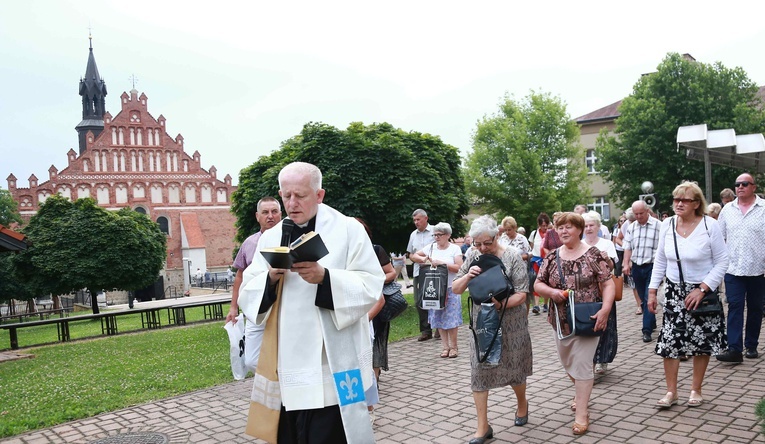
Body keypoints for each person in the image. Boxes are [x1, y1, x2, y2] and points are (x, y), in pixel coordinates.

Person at [238, 162, 384, 443]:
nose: (292, 204)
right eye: (286, 196)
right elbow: (248, 291)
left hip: (333, 362)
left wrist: (325, 278)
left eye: (301, 196)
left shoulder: (348, 230)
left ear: (319, 195)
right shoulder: (270, 236)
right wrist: (269, 278)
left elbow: (371, 284)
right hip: (288, 360)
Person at [647, 181, 729, 409]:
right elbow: (660, 261)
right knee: (670, 342)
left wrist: (703, 288)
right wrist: (652, 292)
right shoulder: (667, 225)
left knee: (701, 342)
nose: (679, 203)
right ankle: (671, 392)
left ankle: (696, 389)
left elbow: (723, 261)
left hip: (702, 292)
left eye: (685, 200)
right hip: (674, 291)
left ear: (696, 203)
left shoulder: (709, 225)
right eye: (676, 199)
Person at [452, 215, 532, 443]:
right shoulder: (472, 255)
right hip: (483, 324)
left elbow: (522, 293)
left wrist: (501, 304)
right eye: (477, 243)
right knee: (479, 370)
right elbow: (456, 288)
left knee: (514, 367)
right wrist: (468, 275)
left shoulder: (512, 256)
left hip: (511, 321)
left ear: (496, 236)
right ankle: (482, 427)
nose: (482, 248)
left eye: (487, 243)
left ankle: (522, 404)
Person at [534, 212, 615, 436]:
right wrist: (552, 292)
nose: (563, 231)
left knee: (581, 364)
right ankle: (581, 393)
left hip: (588, 318)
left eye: (568, 227)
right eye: (560, 228)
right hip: (560, 321)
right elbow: (538, 284)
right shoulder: (552, 257)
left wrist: (605, 310)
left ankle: (582, 412)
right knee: (568, 362)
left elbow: (607, 284)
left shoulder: (593, 254)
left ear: (579, 230)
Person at [226, 196, 282, 371]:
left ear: (281, 214)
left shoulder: (290, 238)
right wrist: (233, 307)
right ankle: (274, 379)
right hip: (255, 307)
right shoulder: (250, 243)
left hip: (282, 306)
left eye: (274, 211)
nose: (270, 216)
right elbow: (240, 277)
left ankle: (280, 390)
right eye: (265, 212)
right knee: (251, 360)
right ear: (257, 216)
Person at [716, 173, 765, 363]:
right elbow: (719, 239)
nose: (740, 187)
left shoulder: (763, 209)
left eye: (745, 184)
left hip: (758, 269)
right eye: (737, 184)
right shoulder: (727, 210)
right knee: (735, 306)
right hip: (733, 268)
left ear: (753, 187)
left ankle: (751, 345)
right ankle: (734, 349)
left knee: (755, 308)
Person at [411, 222, 463, 358]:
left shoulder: (454, 249)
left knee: (451, 318)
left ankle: (454, 347)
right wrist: (424, 258)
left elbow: (460, 267)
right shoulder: (431, 247)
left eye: (439, 235)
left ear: (448, 235)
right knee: (438, 317)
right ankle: (445, 347)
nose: (436, 237)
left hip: (451, 287)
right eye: (435, 235)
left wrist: (443, 264)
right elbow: (413, 256)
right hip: (434, 289)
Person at [583, 211, 618, 375]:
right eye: (586, 226)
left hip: (604, 290)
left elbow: (611, 268)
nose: (588, 228)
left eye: (591, 225)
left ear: (598, 226)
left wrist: (607, 259)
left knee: (606, 325)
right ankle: (589, 361)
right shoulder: (580, 244)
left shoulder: (606, 244)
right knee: (589, 326)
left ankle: (602, 360)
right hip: (586, 293)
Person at [622, 200, 661, 343]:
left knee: (647, 296)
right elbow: (628, 247)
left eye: (640, 213)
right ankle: (651, 320)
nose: (638, 216)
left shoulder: (659, 226)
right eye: (635, 214)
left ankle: (646, 330)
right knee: (642, 297)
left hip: (653, 266)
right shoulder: (631, 227)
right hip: (637, 266)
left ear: (647, 211)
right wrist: (626, 264)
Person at [407, 209, 435, 341]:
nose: (416, 222)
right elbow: (410, 254)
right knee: (419, 300)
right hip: (419, 271)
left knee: (436, 298)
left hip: (434, 270)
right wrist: (418, 259)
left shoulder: (435, 231)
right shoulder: (413, 235)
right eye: (414, 220)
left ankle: (439, 328)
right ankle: (426, 330)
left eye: (418, 219)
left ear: (426, 218)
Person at [529, 213, 551, 315]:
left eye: (546, 225)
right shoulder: (534, 234)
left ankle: (546, 303)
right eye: (542, 225)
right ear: (539, 225)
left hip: (547, 260)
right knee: (537, 281)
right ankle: (536, 305)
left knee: (546, 281)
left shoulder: (551, 234)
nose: (544, 227)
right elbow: (532, 247)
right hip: (537, 260)